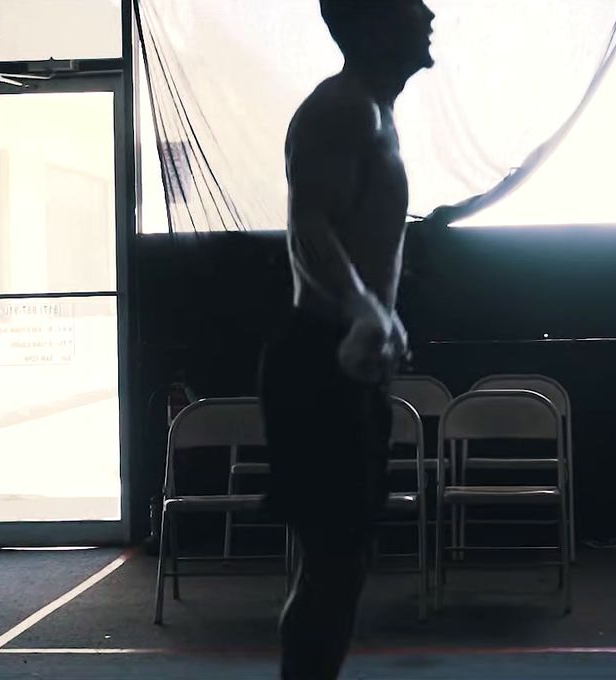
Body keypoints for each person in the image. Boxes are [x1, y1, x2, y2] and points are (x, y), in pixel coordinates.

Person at [257, 1, 435, 678]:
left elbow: (358, 241)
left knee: (344, 563)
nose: (428, 12)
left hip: (349, 366)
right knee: (332, 564)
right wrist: (366, 309)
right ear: (370, 25)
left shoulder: (376, 114)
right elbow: (307, 230)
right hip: (317, 363)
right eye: (409, 4)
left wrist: (384, 316)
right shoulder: (341, 110)